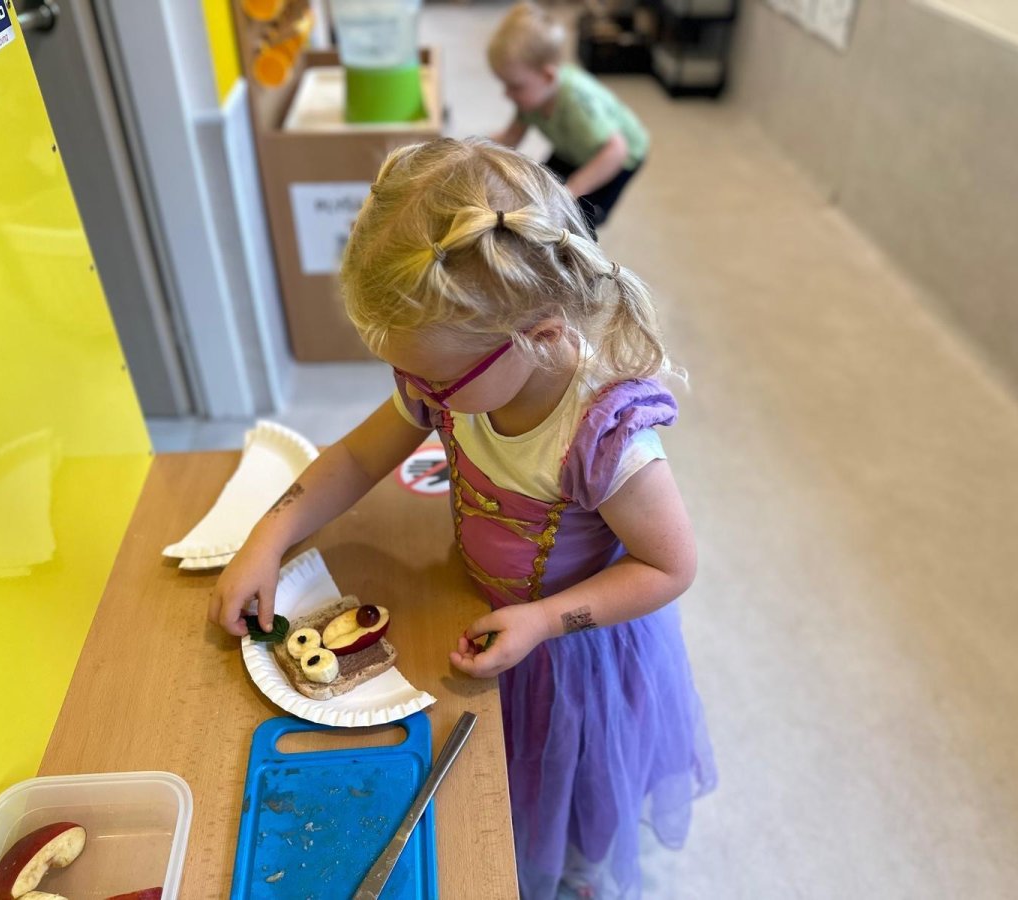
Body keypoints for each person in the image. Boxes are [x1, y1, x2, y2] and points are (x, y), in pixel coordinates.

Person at [210, 137, 715, 899]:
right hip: (483, 609)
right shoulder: (452, 373)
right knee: (505, 772)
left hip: (574, 649)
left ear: (541, 335)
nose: (416, 395)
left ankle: (577, 873)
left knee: (572, 777)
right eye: (402, 372)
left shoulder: (604, 436)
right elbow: (354, 460)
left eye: (433, 380)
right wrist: (268, 537)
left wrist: (544, 620)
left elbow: (670, 567)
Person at [488, 1, 649, 237]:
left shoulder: (577, 103)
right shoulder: (530, 99)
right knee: (540, 188)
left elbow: (616, 150)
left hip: (617, 156)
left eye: (515, 86)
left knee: (579, 217)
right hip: (575, 146)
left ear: (547, 76)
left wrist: (570, 191)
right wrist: (475, 152)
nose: (507, 94)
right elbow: (510, 137)